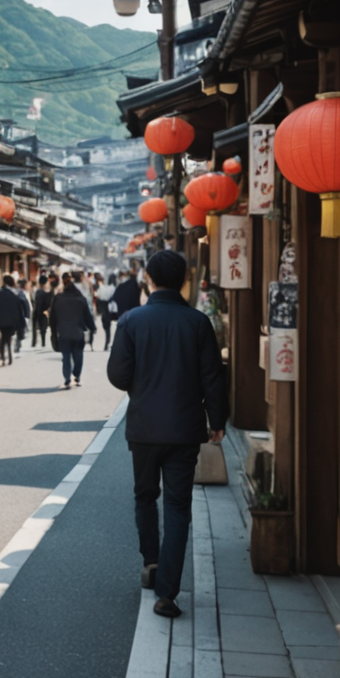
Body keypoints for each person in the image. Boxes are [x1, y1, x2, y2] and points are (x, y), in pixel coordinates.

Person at [107, 249, 227, 618]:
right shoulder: (197, 322)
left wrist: (140, 386)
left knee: (145, 496)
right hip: (184, 429)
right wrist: (217, 420)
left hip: (143, 427)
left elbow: (117, 376)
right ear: (184, 281)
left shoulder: (131, 321)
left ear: (149, 279)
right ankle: (167, 593)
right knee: (178, 506)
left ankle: (151, 562)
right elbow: (213, 378)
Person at [50, 271, 96, 388]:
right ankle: (76, 375)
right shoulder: (80, 299)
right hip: (78, 331)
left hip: (63, 331)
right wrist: (92, 327)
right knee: (78, 354)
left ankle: (67, 378)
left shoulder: (58, 299)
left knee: (66, 356)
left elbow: (52, 317)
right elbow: (87, 316)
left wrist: (53, 332)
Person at [110, 270, 143, 350]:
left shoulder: (121, 287)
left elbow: (114, 299)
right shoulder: (138, 288)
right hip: (137, 316)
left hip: (123, 316)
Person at [94, 272, 116, 348]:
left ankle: (107, 342)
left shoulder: (104, 288)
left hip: (105, 309)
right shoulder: (113, 288)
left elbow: (100, 297)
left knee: (106, 326)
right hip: (110, 309)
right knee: (108, 327)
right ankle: (107, 342)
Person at [31, 274, 54, 348]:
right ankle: (42, 342)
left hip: (37, 311)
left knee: (35, 327)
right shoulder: (49, 292)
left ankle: (34, 342)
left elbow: (36, 302)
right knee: (43, 327)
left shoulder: (38, 291)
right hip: (44, 311)